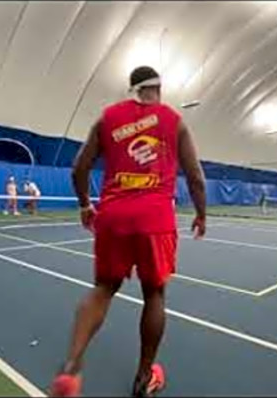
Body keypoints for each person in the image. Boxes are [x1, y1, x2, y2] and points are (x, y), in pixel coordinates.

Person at [50, 66, 207, 397]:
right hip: (155, 221)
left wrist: (84, 205)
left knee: (103, 289)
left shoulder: (108, 118)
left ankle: (71, 365)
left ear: (132, 89)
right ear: (158, 89)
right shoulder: (173, 120)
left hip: (113, 217)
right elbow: (195, 176)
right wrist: (201, 214)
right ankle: (144, 376)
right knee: (154, 294)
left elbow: (79, 168)